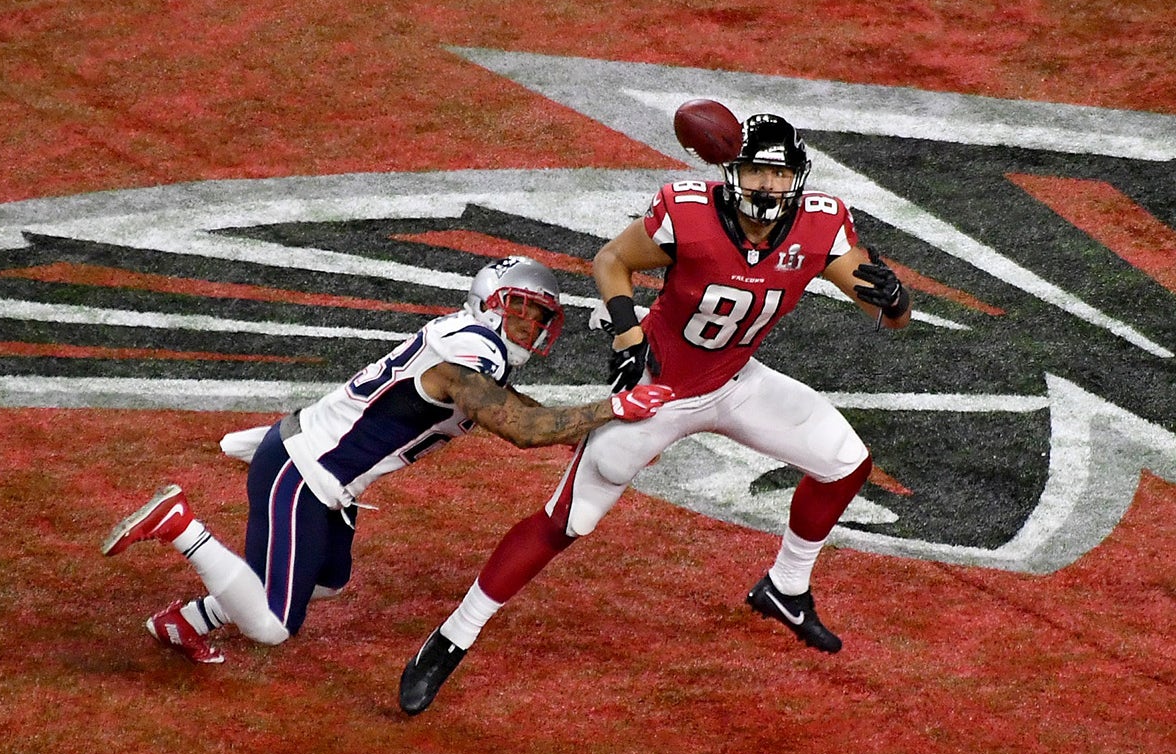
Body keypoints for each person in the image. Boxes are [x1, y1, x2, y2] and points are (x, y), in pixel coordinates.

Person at [399, 113, 912, 714]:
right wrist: (626, 332)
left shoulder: (823, 224)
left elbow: (887, 311)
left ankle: (785, 587)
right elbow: (612, 259)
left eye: (779, 173)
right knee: (566, 521)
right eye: (756, 170)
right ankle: (452, 638)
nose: (768, 185)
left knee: (846, 463)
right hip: (658, 388)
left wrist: (896, 302)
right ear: (732, 171)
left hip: (736, 378)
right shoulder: (687, 212)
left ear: (797, 176)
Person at [100, 256, 675, 664]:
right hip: (306, 472)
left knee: (326, 580)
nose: (534, 326)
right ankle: (181, 526)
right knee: (277, 625)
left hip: (319, 466)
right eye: (523, 310)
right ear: (491, 305)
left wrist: (589, 428)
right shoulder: (470, 352)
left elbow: (514, 407)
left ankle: (187, 621)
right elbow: (521, 428)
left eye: (541, 317)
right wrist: (614, 408)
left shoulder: (473, 343)